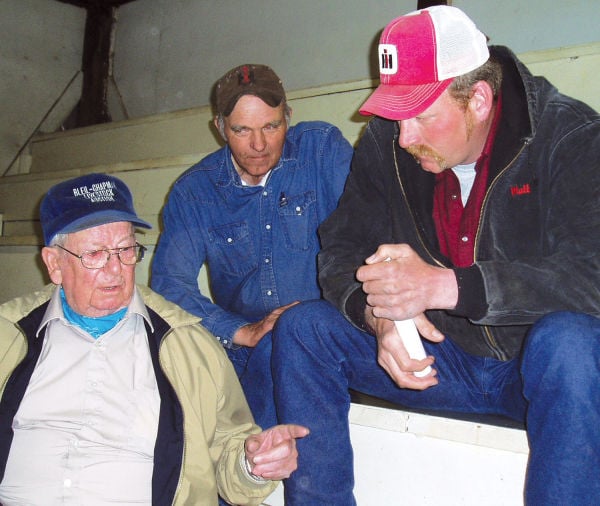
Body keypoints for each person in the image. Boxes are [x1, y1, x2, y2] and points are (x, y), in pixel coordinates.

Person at [270, 5, 600, 505]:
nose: (405, 137)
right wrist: (380, 319)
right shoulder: (387, 139)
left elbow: (590, 277)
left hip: (535, 368)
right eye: (396, 116)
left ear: (480, 100)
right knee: (302, 329)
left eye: (422, 115)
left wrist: (446, 286)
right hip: (442, 360)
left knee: (569, 343)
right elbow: (339, 249)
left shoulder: (570, 136)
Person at [0, 173, 308, 506]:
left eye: (125, 250)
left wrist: (253, 464)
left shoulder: (188, 346)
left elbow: (230, 453)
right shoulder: (7, 335)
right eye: (95, 254)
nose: (115, 269)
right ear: (54, 264)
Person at [151, 64, 353, 428]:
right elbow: (170, 285)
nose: (259, 145)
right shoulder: (195, 192)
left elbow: (366, 232)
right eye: (242, 130)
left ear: (288, 118)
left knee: (289, 347)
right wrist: (242, 332)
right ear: (219, 127)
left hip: (326, 339)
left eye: (271, 127)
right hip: (245, 350)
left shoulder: (321, 149)